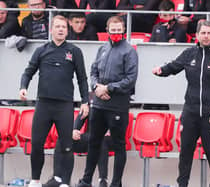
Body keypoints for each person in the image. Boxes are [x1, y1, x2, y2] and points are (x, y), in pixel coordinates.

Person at [152, 20, 210, 187]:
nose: (206, 36)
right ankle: (182, 184)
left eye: (209, 33)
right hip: (190, 112)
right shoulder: (189, 53)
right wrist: (161, 71)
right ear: (197, 35)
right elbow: (173, 66)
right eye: (202, 33)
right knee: (185, 152)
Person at [19, 15, 89, 187]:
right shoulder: (41, 50)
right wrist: (23, 87)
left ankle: (65, 182)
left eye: (63, 27)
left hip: (64, 105)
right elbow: (28, 72)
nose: (60, 30)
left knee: (67, 146)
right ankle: (35, 179)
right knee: (36, 144)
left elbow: (82, 78)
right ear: (51, 29)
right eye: (57, 27)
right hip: (44, 104)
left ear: (67, 30)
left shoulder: (74, 51)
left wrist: (85, 101)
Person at [76, 15, 138, 187]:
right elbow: (93, 71)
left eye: (119, 30)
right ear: (108, 30)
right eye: (113, 30)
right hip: (99, 104)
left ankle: (116, 183)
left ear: (124, 30)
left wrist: (108, 88)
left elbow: (130, 79)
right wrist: (96, 87)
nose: (116, 32)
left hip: (117, 106)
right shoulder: (102, 48)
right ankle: (87, 180)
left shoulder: (130, 51)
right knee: (94, 142)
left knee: (119, 146)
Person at [72, 112, 114, 187]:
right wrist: (74, 129)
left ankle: (102, 181)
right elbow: (80, 118)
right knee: (65, 139)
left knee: (100, 140)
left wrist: (112, 129)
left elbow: (120, 121)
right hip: (91, 137)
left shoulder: (115, 103)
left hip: (110, 138)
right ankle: (60, 179)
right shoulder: (90, 103)